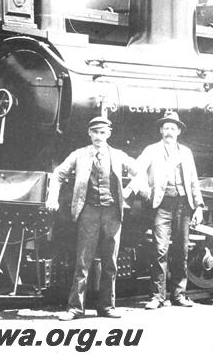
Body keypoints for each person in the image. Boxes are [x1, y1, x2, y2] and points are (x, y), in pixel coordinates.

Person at [46, 116, 137, 320]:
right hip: (88, 213)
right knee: (83, 261)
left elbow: (140, 173)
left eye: (103, 132)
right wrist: (53, 197)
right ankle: (76, 308)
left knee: (110, 262)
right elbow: (58, 173)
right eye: (95, 132)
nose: (99, 136)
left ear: (109, 134)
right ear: (89, 133)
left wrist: (129, 193)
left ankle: (107, 307)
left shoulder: (118, 155)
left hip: (113, 213)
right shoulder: (79, 155)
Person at [124, 111, 205, 309]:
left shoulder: (186, 152)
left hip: (184, 206)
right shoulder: (151, 150)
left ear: (178, 131)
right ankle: (157, 297)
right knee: (160, 250)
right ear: (161, 130)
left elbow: (194, 180)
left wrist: (199, 207)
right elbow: (136, 170)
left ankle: (179, 295)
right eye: (166, 128)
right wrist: (138, 190)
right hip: (162, 206)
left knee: (182, 250)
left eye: (173, 128)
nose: (169, 131)